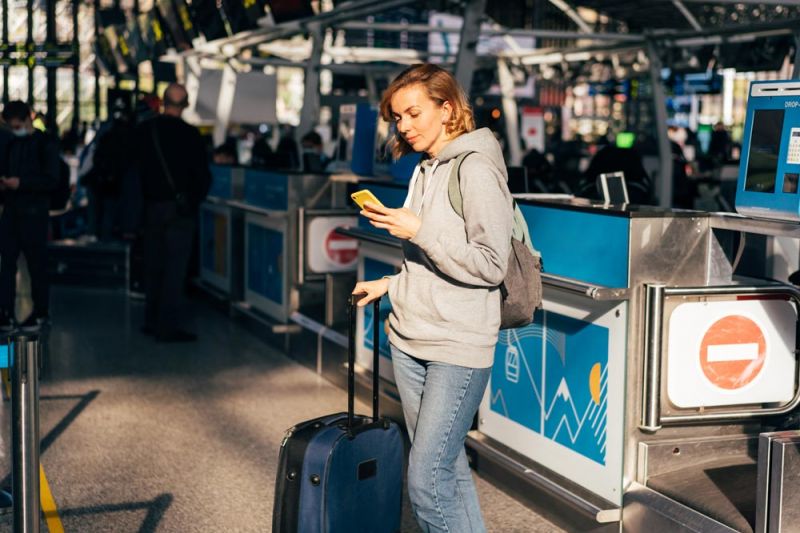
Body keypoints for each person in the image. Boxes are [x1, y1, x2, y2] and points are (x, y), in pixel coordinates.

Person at [352, 64, 513, 533]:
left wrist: (420, 231)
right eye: (397, 116)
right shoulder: (425, 169)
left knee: (425, 480)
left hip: (455, 347)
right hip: (410, 339)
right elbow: (428, 265)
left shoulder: (476, 168)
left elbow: (489, 264)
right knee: (448, 468)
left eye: (413, 113)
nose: (404, 125)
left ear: (447, 109)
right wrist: (391, 285)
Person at [136, 83, 211, 342]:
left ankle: (150, 319)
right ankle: (166, 326)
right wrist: (192, 201)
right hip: (180, 210)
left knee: (153, 264)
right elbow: (202, 176)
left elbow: (135, 172)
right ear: (186, 104)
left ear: (163, 102)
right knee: (175, 268)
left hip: (151, 208)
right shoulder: (191, 136)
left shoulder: (145, 131)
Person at [0, 101, 60, 331]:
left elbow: (51, 180)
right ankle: (5, 311)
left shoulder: (45, 144)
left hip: (34, 214)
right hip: (13, 212)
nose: (15, 129)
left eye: (18, 125)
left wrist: (22, 184)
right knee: (7, 263)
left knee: (37, 265)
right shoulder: (13, 144)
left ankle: (41, 312)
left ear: (28, 119)